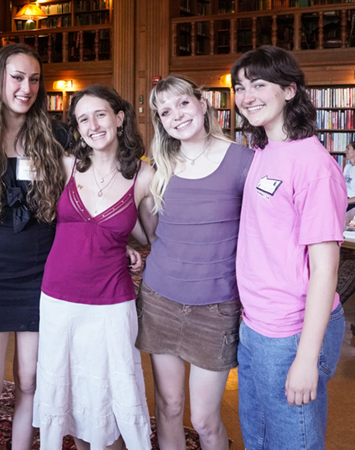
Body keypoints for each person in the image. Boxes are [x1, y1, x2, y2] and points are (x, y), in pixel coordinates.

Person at [231, 45, 348, 450]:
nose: (247, 96)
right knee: (259, 437)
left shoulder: (313, 165)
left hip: (291, 333)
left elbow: (325, 270)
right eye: (240, 87)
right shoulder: (263, 151)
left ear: (290, 90)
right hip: (255, 324)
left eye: (259, 84)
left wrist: (306, 358)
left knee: (293, 442)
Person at [32, 84, 156, 450]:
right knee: (68, 389)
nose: (93, 125)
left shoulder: (144, 176)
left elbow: (151, 237)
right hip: (58, 297)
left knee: (110, 388)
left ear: (119, 118)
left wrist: (130, 247)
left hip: (111, 301)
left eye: (100, 114)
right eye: (83, 119)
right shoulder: (65, 166)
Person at [0, 43, 66, 450]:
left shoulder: (56, 136)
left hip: (43, 272)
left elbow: (85, 192)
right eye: (17, 78)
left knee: (29, 383)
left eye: (34, 79)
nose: (27, 87)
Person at [135, 74, 253, 450]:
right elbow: (153, 233)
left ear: (202, 103)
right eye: (165, 111)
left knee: (203, 419)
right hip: (160, 300)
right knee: (168, 407)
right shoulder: (159, 167)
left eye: (183, 103)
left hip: (215, 307)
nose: (176, 115)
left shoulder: (243, 161)